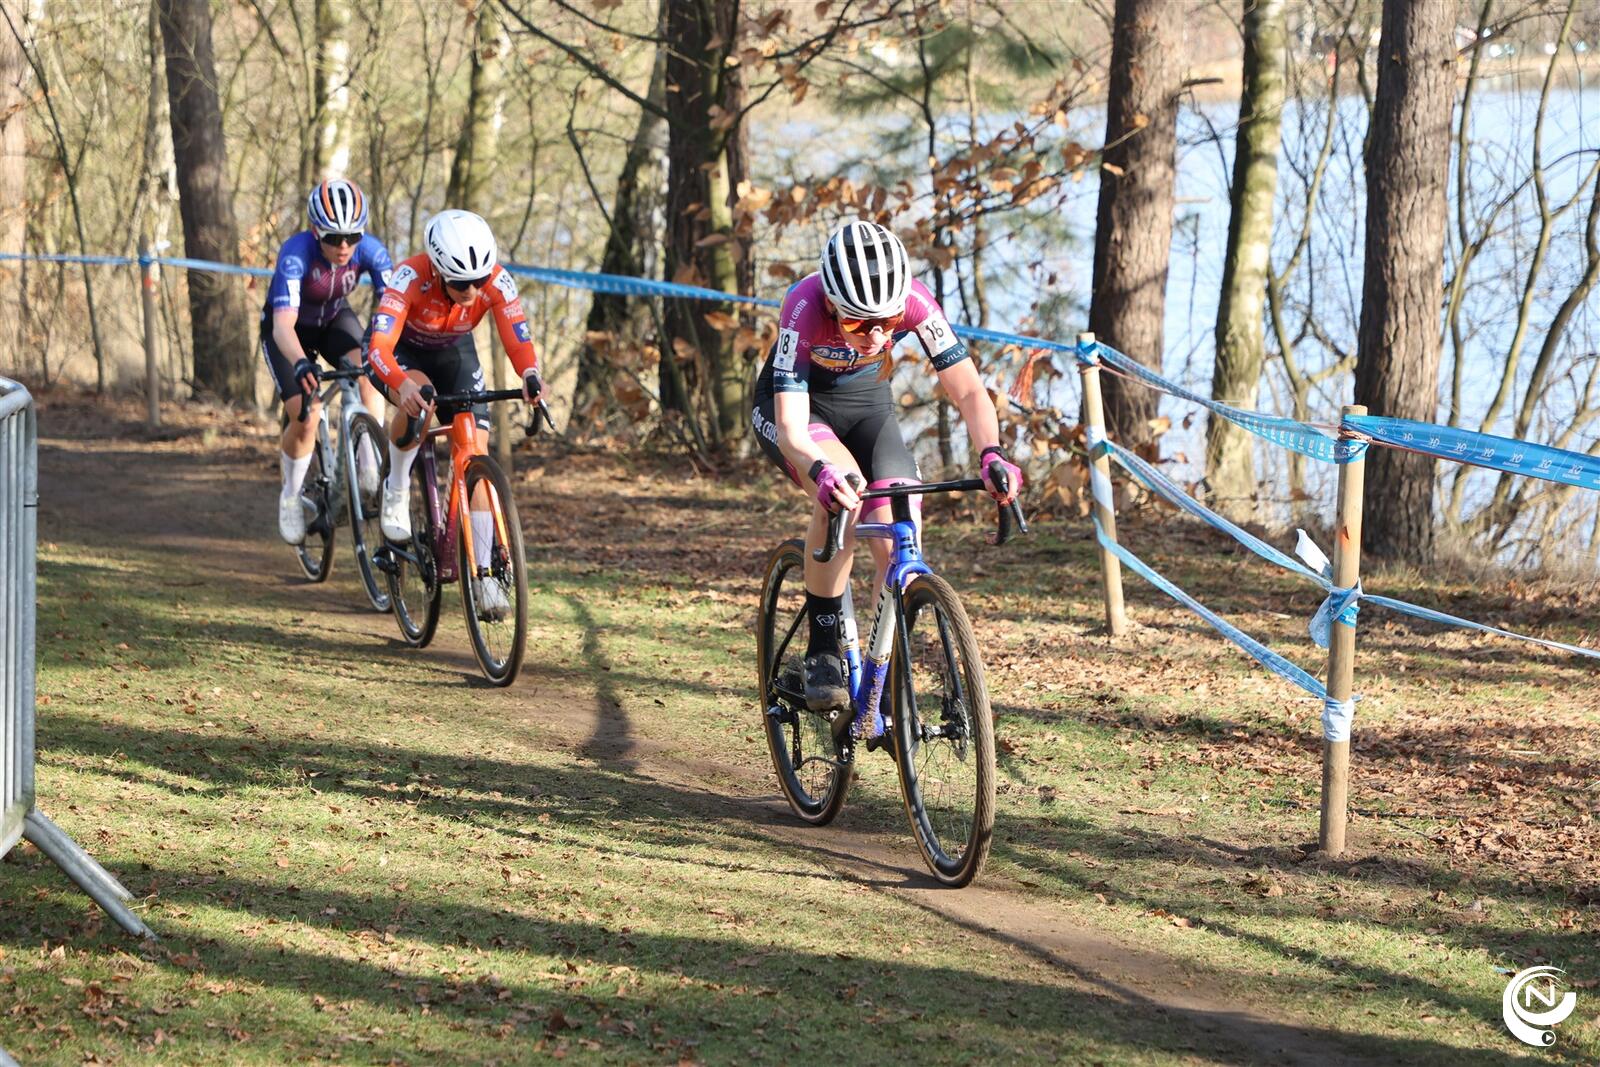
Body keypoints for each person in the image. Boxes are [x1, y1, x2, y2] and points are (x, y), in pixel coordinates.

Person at [751, 219, 1023, 712]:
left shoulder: (916, 300)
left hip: (868, 406)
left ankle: (884, 668)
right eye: (858, 324)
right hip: (796, 406)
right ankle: (823, 649)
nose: (876, 338)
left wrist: (991, 452)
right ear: (832, 303)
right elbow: (791, 430)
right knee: (844, 495)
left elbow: (968, 390)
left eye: (888, 323)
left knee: (902, 527)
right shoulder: (804, 304)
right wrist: (820, 471)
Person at [365, 209, 543, 619]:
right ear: (438, 269)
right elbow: (378, 348)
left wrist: (530, 374)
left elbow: (518, 339)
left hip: (454, 352)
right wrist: (401, 383)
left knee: (474, 448)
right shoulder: (408, 278)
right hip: (402, 352)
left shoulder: (496, 281)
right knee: (420, 401)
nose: (472, 290)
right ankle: (396, 486)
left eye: (478, 281)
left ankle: (484, 575)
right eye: (461, 283)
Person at [264, 178, 394, 545]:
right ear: (314, 231)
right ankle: (291, 495)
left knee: (369, 371)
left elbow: (392, 307)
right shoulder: (296, 254)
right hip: (290, 332)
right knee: (308, 414)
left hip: (334, 318)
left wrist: (381, 343)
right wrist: (300, 362)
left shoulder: (372, 251)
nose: (344, 247)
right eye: (334, 238)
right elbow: (282, 326)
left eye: (352, 237)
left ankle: (369, 461)